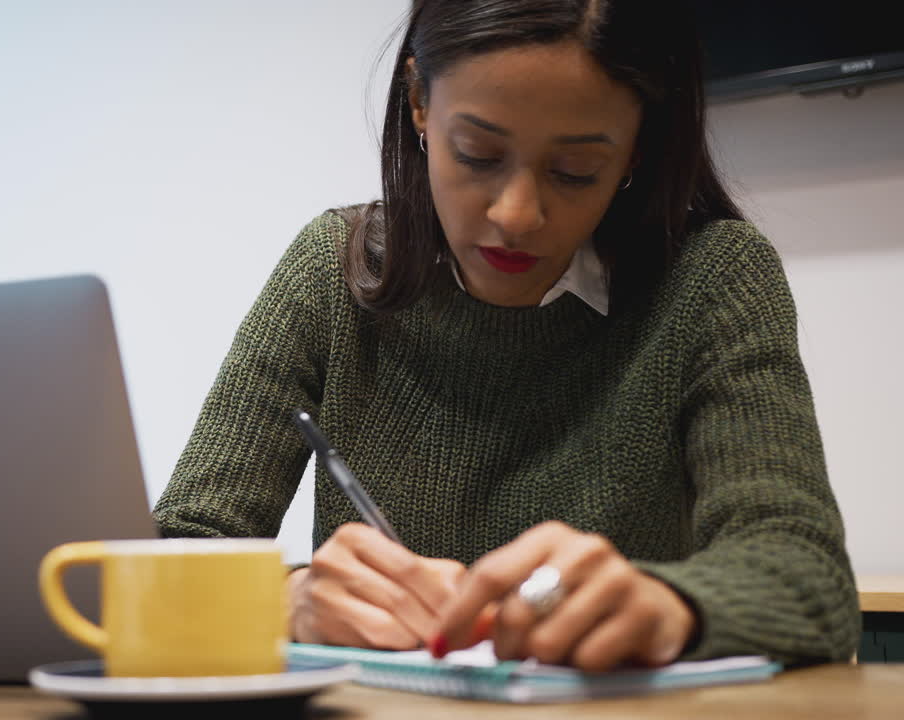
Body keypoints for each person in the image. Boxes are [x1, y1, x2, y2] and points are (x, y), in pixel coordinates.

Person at [153, 0, 860, 671]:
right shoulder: (331, 271)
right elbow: (171, 555)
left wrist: (671, 607)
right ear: (419, 103)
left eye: (574, 171)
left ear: (638, 148)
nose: (517, 215)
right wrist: (286, 600)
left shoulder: (711, 279)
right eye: (478, 155)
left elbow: (805, 577)